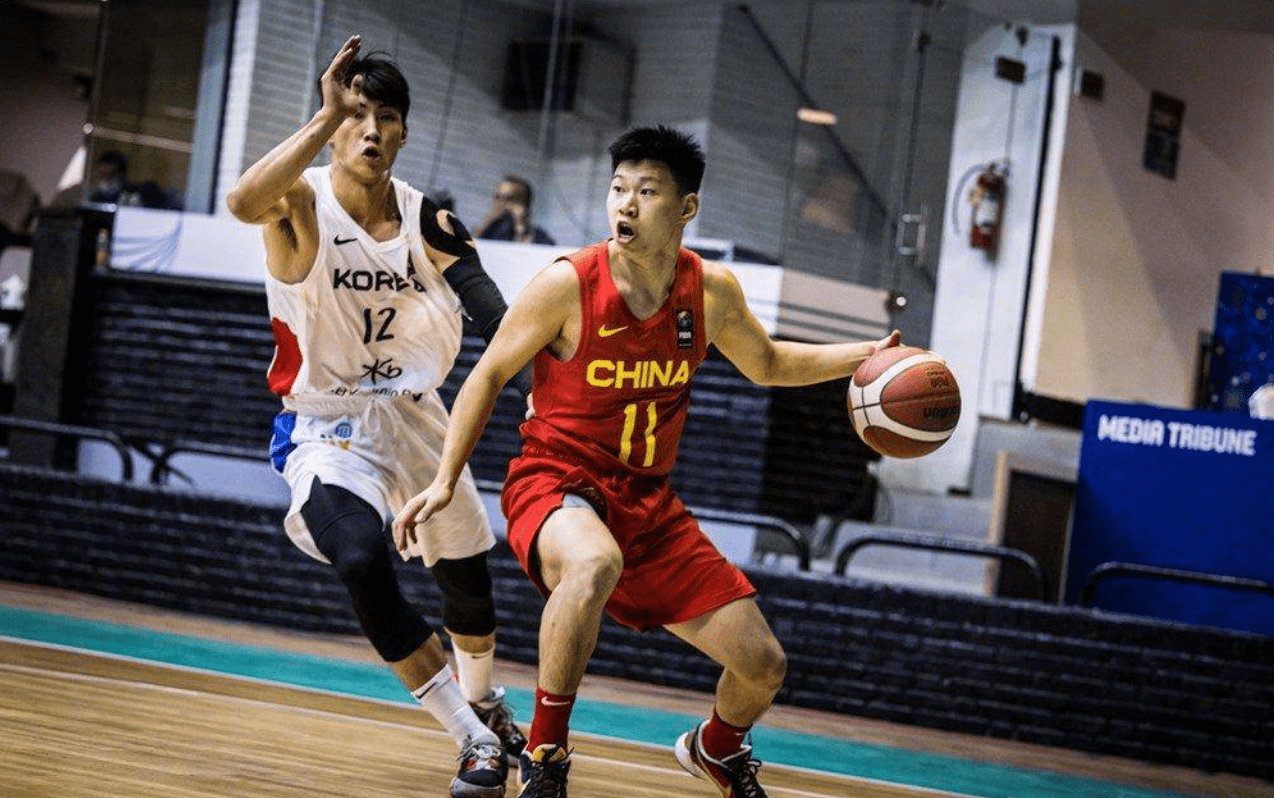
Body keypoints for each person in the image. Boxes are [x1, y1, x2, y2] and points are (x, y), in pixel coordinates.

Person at [393, 125, 902, 798]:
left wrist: (869, 356)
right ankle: (546, 754)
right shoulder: (566, 284)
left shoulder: (710, 292)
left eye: (646, 192)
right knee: (592, 562)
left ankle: (717, 748)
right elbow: (487, 375)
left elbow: (771, 363)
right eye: (617, 189)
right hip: (555, 481)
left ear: (686, 208)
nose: (625, 205)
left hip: (648, 504)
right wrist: (444, 479)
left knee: (763, 665)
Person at [225, 35, 528, 798]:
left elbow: (494, 315)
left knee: (470, 588)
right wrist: (324, 114)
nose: (369, 130)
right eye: (355, 115)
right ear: (335, 128)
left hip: (420, 419)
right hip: (326, 426)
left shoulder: (432, 223)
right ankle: (471, 740)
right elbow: (240, 202)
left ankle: (484, 699)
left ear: (402, 133)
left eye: (383, 117)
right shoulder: (299, 203)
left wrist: (544, 373)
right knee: (360, 559)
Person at [474, 175, 555, 245]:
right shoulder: (490, 230)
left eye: (508, 198)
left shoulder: (538, 235)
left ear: (523, 203)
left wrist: (520, 228)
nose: (500, 203)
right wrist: (488, 221)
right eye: (498, 197)